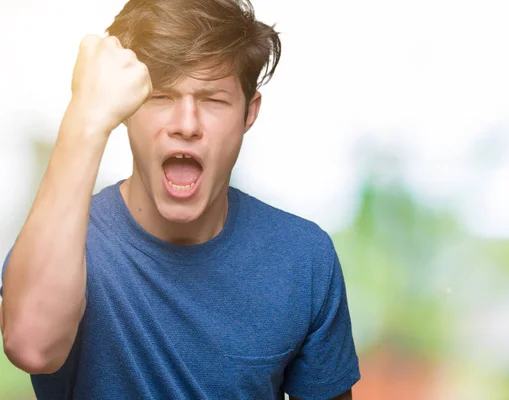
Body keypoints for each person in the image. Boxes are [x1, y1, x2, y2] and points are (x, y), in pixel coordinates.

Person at [0, 0, 360, 399]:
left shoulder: (303, 257)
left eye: (213, 100)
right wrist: (85, 111)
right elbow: (31, 347)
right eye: (160, 96)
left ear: (248, 113)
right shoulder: (60, 245)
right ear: (125, 108)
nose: (186, 125)